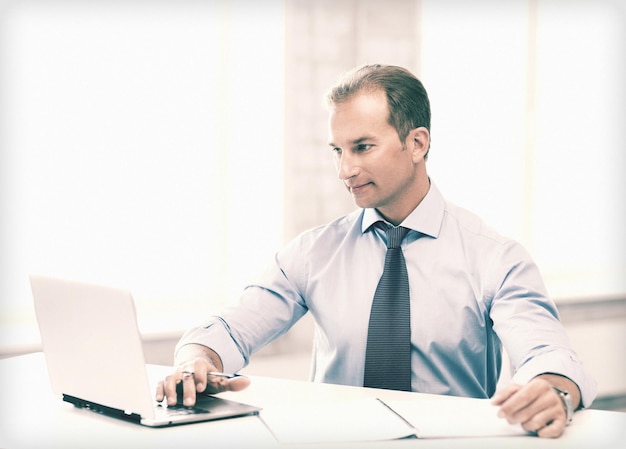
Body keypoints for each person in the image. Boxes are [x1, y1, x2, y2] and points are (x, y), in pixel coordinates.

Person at [156, 64, 596, 438]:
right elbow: (230, 329)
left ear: (418, 144)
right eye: (337, 151)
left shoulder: (494, 257)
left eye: (363, 147)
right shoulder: (315, 253)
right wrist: (196, 360)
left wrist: (551, 390)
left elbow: (548, 355)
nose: (345, 170)